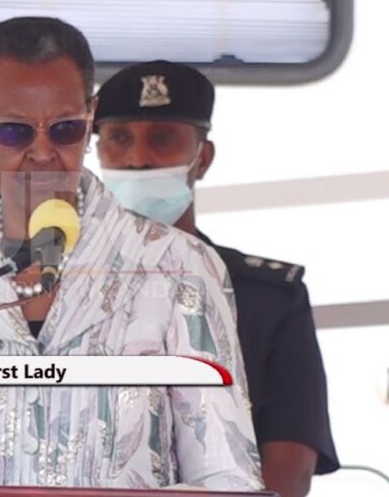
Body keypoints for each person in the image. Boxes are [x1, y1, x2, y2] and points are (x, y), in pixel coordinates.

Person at [0, 18, 263, 490]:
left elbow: (227, 478)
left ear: (90, 119)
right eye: (16, 132)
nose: (43, 152)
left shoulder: (177, 268)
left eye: (65, 129)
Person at [94, 60, 339, 497]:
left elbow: (290, 468)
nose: (137, 159)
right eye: (118, 139)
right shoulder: (63, 288)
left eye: (163, 138)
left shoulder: (269, 299)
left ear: (202, 158)